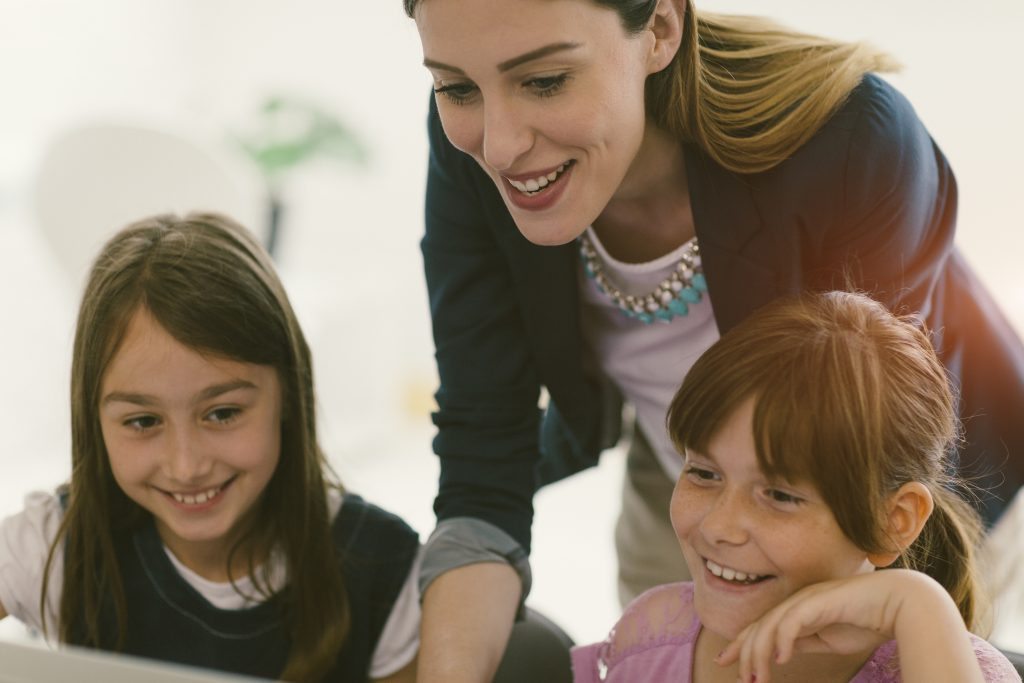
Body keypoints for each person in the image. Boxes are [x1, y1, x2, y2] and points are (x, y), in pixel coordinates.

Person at [401, 0, 1024, 680]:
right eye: (457, 88)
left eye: (545, 80)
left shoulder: (851, 141)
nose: (498, 144)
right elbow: (482, 460)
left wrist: (916, 607)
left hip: (874, 491)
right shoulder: (472, 158)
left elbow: (868, 449)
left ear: (662, 29)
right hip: (683, 455)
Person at [0, 213, 420, 683]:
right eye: (143, 421)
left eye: (222, 414)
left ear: (287, 394)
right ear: (94, 420)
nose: (187, 466)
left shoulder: (381, 563)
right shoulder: (50, 544)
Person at [571, 290, 1021, 682]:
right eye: (704, 473)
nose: (719, 527)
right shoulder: (650, 636)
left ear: (894, 521)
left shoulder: (953, 667)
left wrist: (917, 605)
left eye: (780, 496)